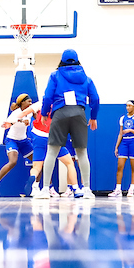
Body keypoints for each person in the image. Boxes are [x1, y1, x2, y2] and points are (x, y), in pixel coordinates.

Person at [39, 49, 100, 200]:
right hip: (79, 113)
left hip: (60, 113)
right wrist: (93, 117)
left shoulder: (55, 75)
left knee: (52, 152)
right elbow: (95, 99)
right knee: (82, 153)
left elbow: (47, 97)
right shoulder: (86, 78)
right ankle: (87, 190)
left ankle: (46, 189)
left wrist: (44, 113)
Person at [0, 93, 39, 198]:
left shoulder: (29, 112)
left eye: (31, 101)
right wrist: (21, 120)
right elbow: (9, 122)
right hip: (12, 140)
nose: (30, 103)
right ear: (22, 103)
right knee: (13, 162)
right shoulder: (16, 113)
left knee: (38, 163)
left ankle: (35, 188)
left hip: (24, 141)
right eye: (28, 101)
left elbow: (36, 114)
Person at [28, 111, 76, 198]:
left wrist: (11, 122)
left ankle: (34, 180)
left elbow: (24, 112)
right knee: (69, 163)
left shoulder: (39, 105)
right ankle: (75, 188)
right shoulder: (59, 106)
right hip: (53, 138)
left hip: (38, 138)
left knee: (36, 167)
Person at [110, 100, 134, 198]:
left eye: (129, 105)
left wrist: (131, 130)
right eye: (126, 106)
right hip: (124, 142)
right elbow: (121, 133)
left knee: (133, 167)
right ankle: (118, 189)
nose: (127, 107)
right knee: (120, 166)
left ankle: (131, 189)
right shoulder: (122, 118)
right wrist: (116, 146)